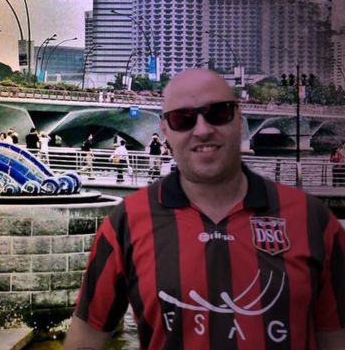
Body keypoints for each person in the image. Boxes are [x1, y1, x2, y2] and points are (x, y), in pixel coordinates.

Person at [65, 69, 345, 349]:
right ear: (165, 131)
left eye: (218, 113)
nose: (202, 130)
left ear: (239, 120)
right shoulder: (125, 224)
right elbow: (86, 338)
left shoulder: (313, 221)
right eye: (183, 119)